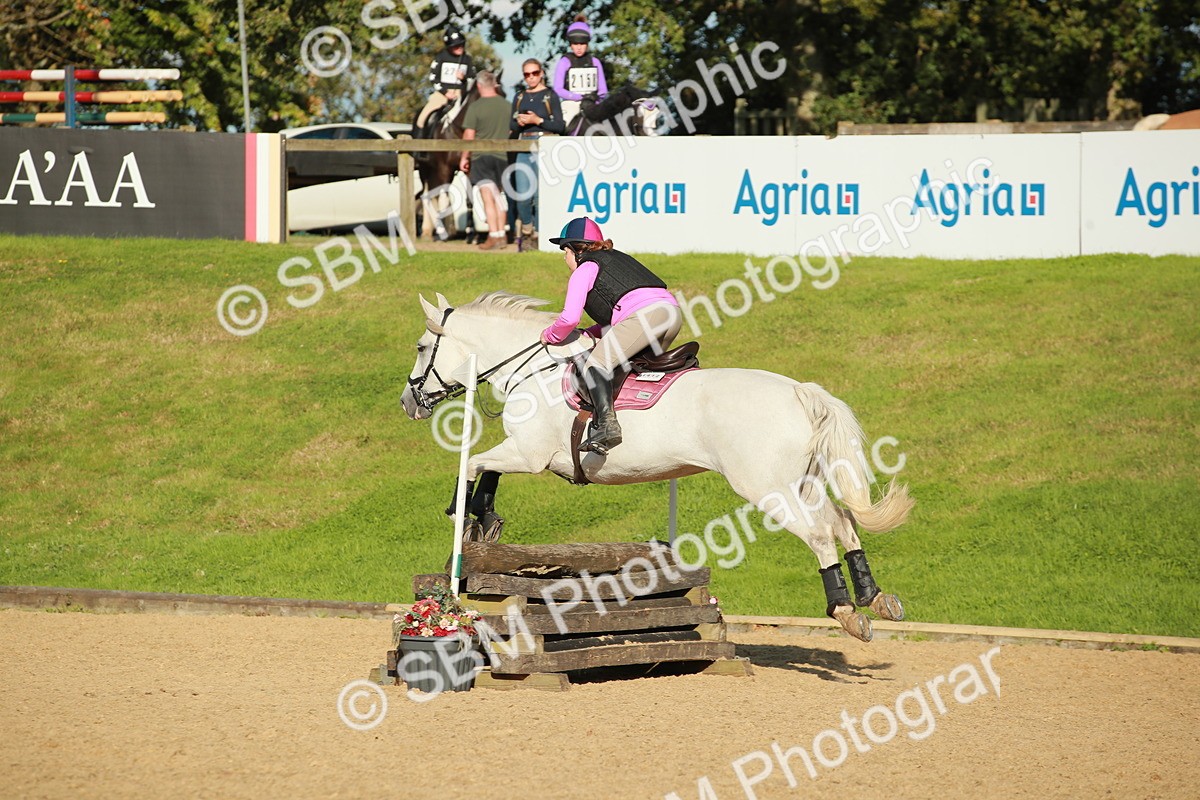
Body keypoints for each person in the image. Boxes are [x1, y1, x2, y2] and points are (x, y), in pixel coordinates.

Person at [540, 217, 682, 454]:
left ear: (577, 249)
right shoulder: (619, 259)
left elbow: (568, 319)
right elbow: (620, 316)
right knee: (629, 366)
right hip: (671, 314)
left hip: (645, 317)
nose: (564, 258)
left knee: (596, 363)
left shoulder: (585, 268)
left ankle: (607, 426)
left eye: (564, 251)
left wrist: (549, 335)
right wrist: (589, 333)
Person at [510, 58, 564, 252]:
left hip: (546, 145)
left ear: (541, 73)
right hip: (524, 145)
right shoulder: (518, 97)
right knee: (523, 195)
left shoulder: (550, 96)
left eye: (534, 73)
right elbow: (511, 125)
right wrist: (521, 122)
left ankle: (539, 236)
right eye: (526, 74)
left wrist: (537, 119)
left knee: (541, 196)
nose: (531, 77)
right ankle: (526, 229)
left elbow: (560, 125)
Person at [458, 71, 511, 250]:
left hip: (482, 157)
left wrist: (465, 157)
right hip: (503, 157)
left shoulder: (475, 107)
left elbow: (469, 135)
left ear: (479, 86)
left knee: (488, 197)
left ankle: (493, 235)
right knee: (500, 196)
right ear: (495, 84)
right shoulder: (507, 106)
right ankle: (502, 235)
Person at [415, 27, 476, 136]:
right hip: (443, 94)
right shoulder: (441, 57)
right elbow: (433, 77)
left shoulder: (467, 59)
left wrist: (464, 78)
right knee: (422, 117)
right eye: (456, 46)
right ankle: (419, 148)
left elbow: (473, 79)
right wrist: (445, 92)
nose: (460, 48)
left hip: (461, 95)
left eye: (461, 44)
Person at [552, 13, 609, 128]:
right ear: (570, 45)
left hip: (593, 104)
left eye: (582, 44)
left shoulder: (595, 62)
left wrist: (594, 100)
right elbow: (558, 89)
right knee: (563, 127)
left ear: (587, 44)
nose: (579, 47)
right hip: (571, 104)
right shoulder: (565, 61)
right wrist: (577, 97)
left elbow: (603, 90)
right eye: (575, 44)